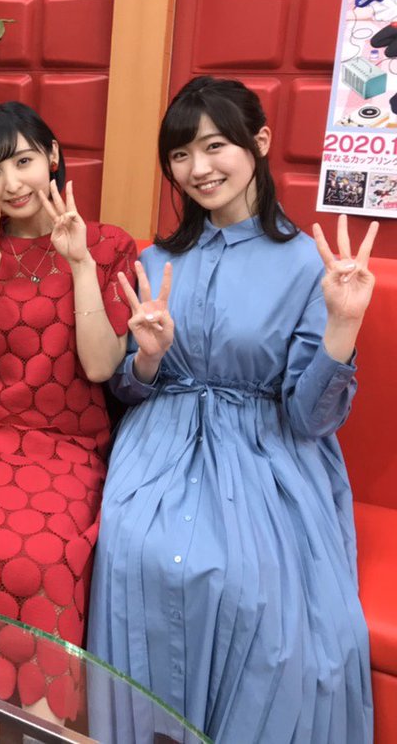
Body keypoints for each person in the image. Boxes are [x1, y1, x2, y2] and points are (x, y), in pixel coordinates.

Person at [89, 76, 376, 743]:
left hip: (265, 459)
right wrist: (148, 359)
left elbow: (310, 420)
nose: (198, 168)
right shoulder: (155, 259)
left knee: (258, 597)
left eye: (215, 146)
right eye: (180, 154)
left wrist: (342, 325)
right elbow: (127, 392)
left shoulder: (308, 264)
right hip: (158, 452)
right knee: (137, 553)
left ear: (260, 142)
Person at [0, 102, 136, 737]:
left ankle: (44, 730)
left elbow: (101, 367)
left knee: (49, 555)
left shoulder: (108, 245)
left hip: (68, 441)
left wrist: (80, 264)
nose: (11, 183)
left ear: (52, 156)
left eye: (23, 161)